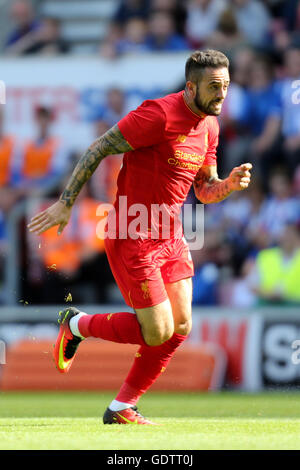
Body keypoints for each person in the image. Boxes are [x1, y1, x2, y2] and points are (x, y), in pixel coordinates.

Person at [28, 49, 252, 425]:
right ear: (190, 86)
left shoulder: (210, 126)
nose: (221, 95)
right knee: (157, 330)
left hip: (172, 236)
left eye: (226, 86)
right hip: (132, 234)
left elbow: (204, 188)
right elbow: (98, 147)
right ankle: (75, 324)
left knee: (180, 328)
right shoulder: (158, 115)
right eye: (214, 87)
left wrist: (227, 185)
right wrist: (67, 203)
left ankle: (121, 407)